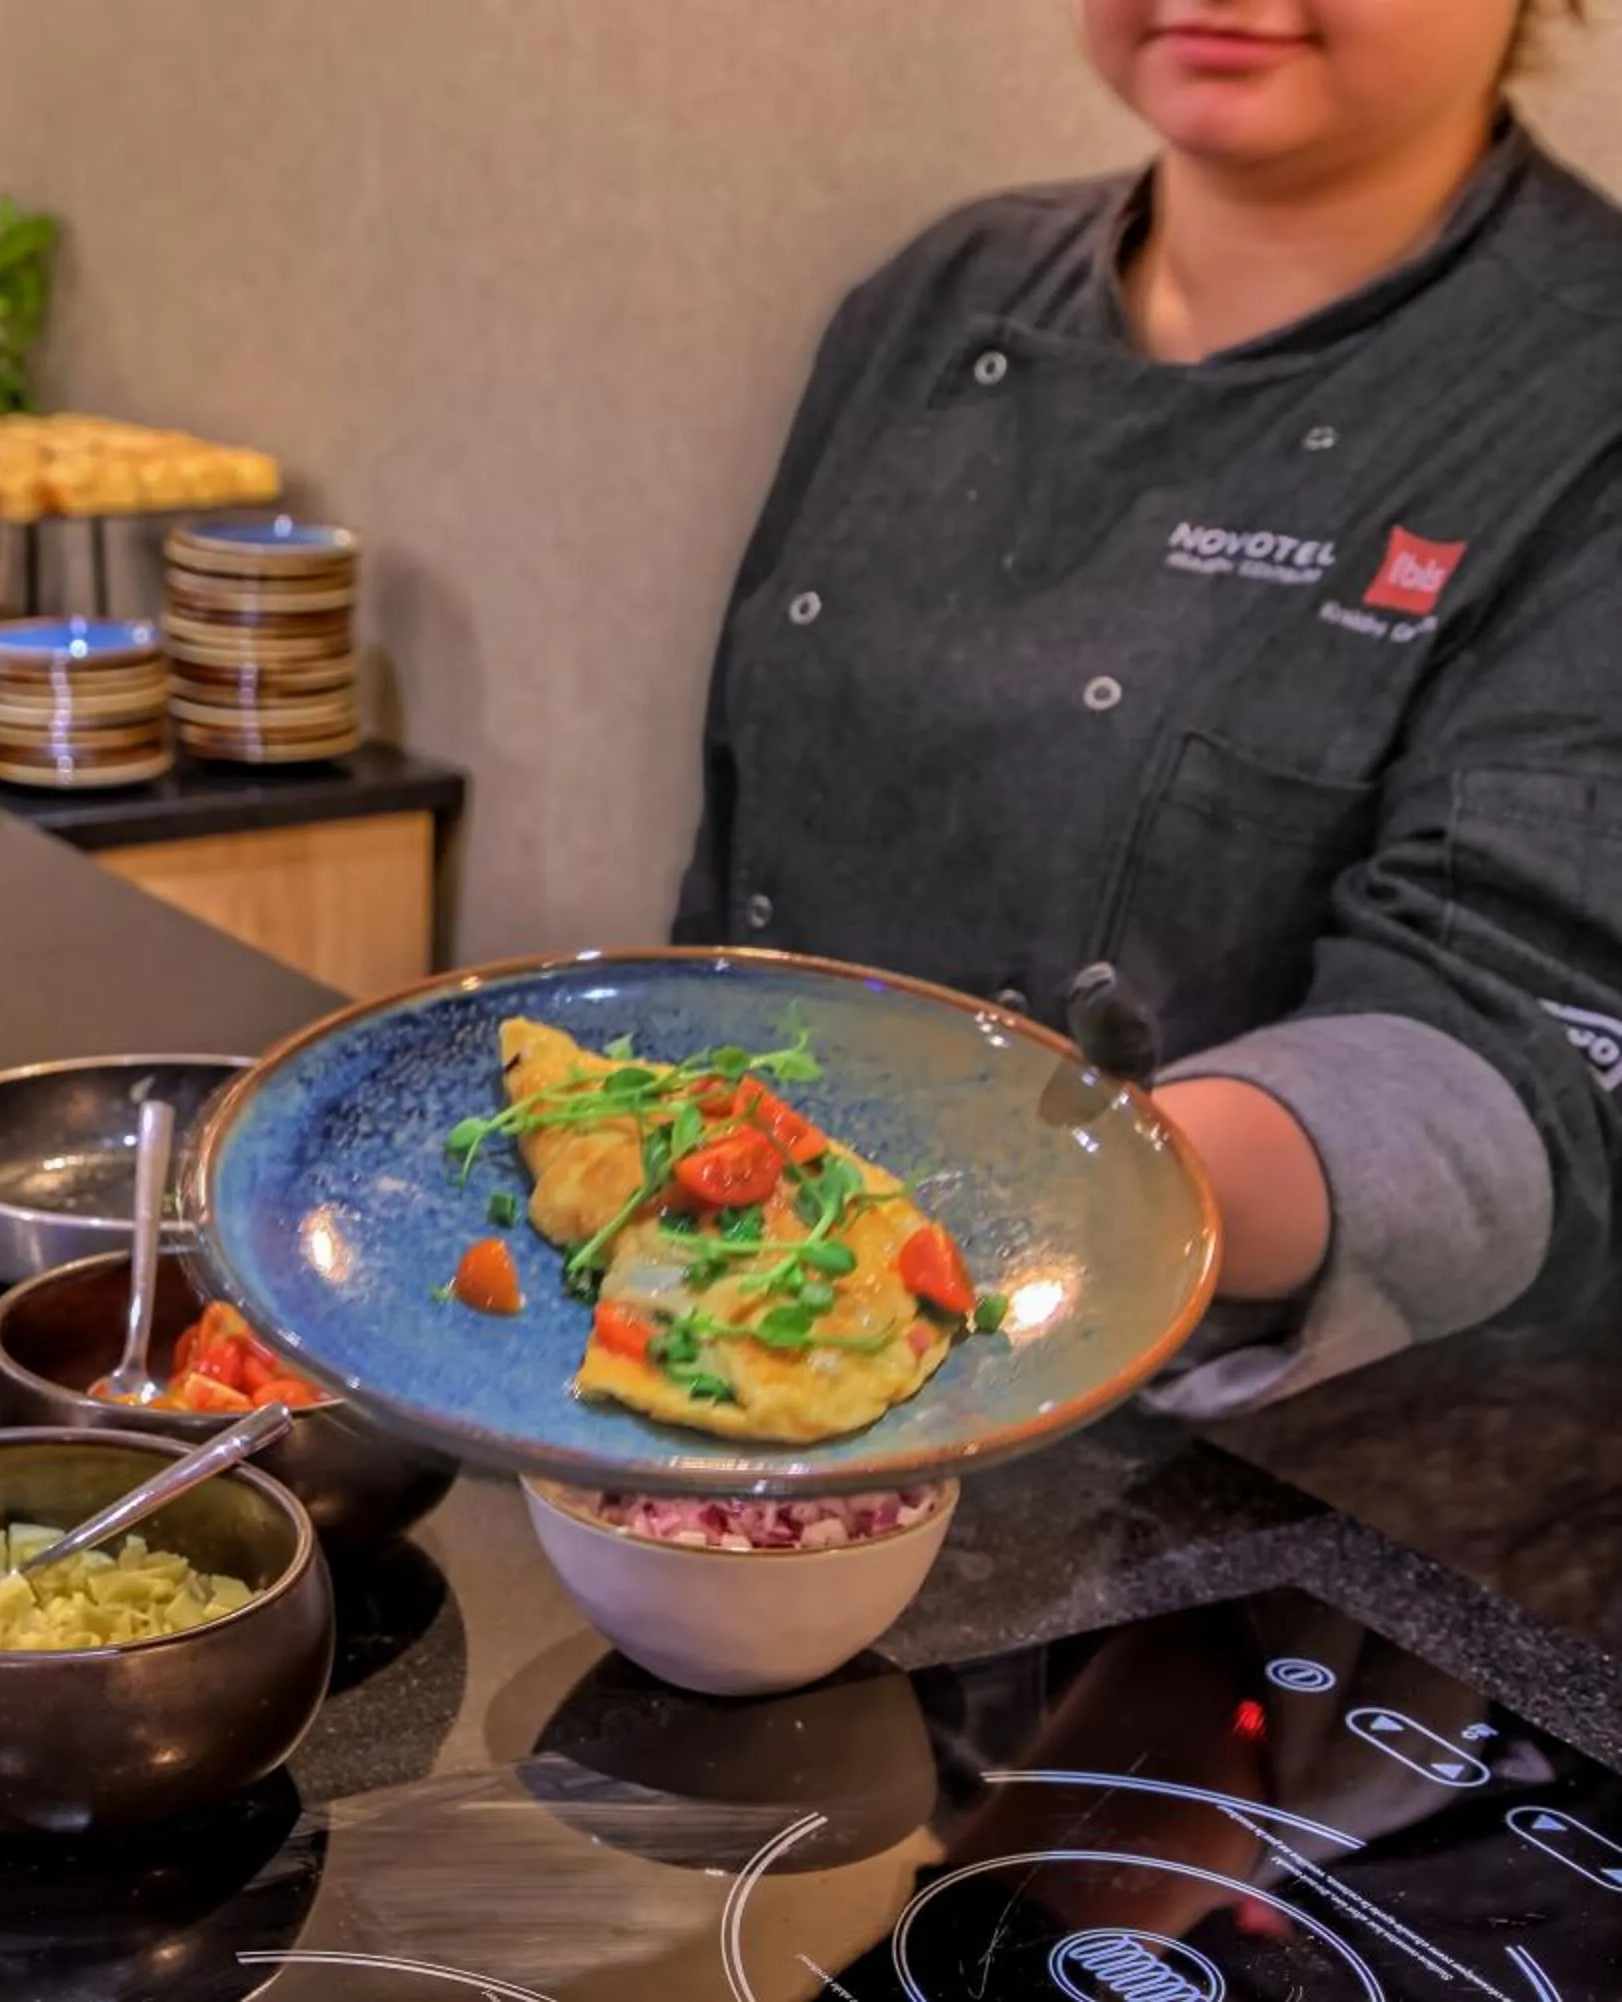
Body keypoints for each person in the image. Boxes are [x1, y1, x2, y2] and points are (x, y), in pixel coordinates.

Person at [673, 0, 1622, 1411]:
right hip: (720, 1330)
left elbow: (1499, 1055)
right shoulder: (940, 294)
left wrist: (1021, 1209)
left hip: (1212, 1468)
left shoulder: (1583, 399)